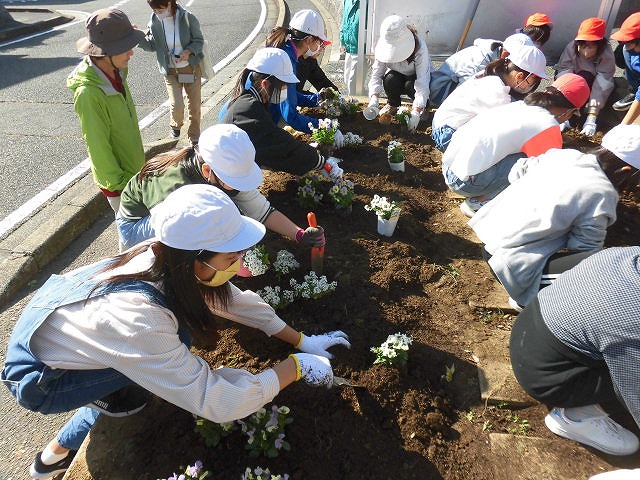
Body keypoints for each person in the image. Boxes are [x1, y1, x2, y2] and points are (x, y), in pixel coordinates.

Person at [1, 184, 350, 479]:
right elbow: (219, 402)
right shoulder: (142, 320)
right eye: (232, 259)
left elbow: (239, 303)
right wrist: (295, 367)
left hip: (69, 326)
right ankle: (54, 455)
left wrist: (303, 340)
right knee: (138, 387)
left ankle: (53, 454)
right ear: (197, 260)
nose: (240, 266)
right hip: (42, 377)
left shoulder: (163, 255)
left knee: (153, 362)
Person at [469, 124, 640, 309]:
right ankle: (527, 300)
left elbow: (517, 172)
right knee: (598, 271)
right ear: (625, 171)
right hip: (511, 265)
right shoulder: (602, 192)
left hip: (488, 235)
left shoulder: (565, 155)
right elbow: (584, 250)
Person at [509, 246, 640, 457]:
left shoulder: (631, 255)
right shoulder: (633, 317)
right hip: (546, 376)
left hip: (529, 323)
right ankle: (577, 417)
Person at [116, 123, 326, 250]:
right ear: (208, 171)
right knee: (201, 225)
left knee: (226, 213)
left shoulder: (224, 168)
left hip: (182, 210)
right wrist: (231, 263)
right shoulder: (173, 185)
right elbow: (171, 238)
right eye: (233, 182)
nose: (237, 187)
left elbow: (261, 211)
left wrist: (299, 234)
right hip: (138, 225)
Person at [442, 73, 590, 216]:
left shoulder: (522, 105)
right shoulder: (547, 125)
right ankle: (479, 202)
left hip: (449, 166)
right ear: (570, 111)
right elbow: (547, 174)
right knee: (531, 165)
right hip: (463, 182)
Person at [219, 47, 343, 179]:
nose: (286, 90)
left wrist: (314, 100)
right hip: (228, 175)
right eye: (283, 85)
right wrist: (321, 162)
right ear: (265, 84)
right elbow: (281, 143)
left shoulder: (254, 96)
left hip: (236, 166)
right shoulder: (249, 110)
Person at [67, 8, 146, 213]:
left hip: (133, 170)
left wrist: (124, 36)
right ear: (104, 53)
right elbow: (97, 145)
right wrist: (119, 186)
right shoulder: (89, 93)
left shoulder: (114, 71)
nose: (131, 52)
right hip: (119, 183)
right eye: (125, 47)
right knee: (131, 237)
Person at [432, 42, 546, 152]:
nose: (530, 88)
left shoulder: (492, 75)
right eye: (531, 84)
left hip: (441, 123)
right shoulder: (498, 92)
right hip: (447, 135)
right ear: (519, 76)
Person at [139, 0, 205, 146]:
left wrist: (188, 51)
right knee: (177, 104)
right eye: (155, 10)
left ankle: (194, 136)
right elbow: (151, 45)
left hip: (190, 68)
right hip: (169, 70)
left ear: (169, 3)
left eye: (160, 10)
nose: (157, 13)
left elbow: (199, 41)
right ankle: (176, 124)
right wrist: (137, 37)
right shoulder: (154, 21)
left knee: (194, 106)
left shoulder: (188, 17)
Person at [264, 9, 332, 134]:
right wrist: (326, 126)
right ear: (309, 40)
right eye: (320, 42)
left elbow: (289, 95)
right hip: (248, 130)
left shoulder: (286, 52)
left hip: (246, 121)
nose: (320, 46)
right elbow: (290, 116)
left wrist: (316, 99)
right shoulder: (286, 61)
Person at [429, 32, 534, 107]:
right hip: (441, 91)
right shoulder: (480, 63)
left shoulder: (499, 53)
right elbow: (463, 95)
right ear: (506, 54)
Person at [366, 15, 431, 131]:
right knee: (390, 79)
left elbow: (423, 81)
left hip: (414, 78)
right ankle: (393, 104)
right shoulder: (382, 46)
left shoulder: (419, 47)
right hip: (397, 76)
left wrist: (416, 111)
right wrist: (374, 98)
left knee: (410, 85)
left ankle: (423, 109)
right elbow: (377, 74)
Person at [554, 17, 615, 136]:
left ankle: (585, 114)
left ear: (600, 44)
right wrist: (563, 110)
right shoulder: (571, 47)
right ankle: (567, 116)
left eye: (591, 46)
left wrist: (592, 116)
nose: (586, 49)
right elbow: (564, 74)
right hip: (573, 79)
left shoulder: (606, 53)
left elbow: (603, 83)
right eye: (583, 45)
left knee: (600, 84)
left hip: (593, 83)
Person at [611, 13, 640, 122]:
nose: (625, 46)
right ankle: (634, 90)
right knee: (624, 50)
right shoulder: (627, 49)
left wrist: (623, 126)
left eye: (628, 43)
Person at [340, 0, 359, 96]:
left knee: (353, 82)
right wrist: (342, 41)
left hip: (361, 50)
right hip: (348, 47)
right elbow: (344, 20)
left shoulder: (368, 3)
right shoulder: (347, 1)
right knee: (347, 79)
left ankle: (354, 105)